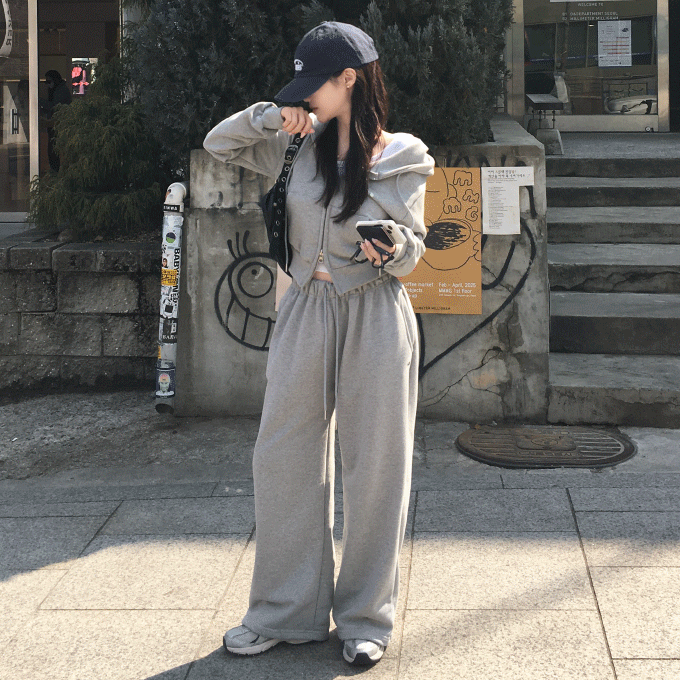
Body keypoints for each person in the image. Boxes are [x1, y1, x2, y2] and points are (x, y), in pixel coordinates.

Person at [203, 21, 433, 667]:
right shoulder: (292, 144)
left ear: (350, 80)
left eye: (314, 84)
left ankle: (365, 618)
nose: (305, 96)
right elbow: (217, 143)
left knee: (377, 466)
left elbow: (414, 249)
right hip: (305, 307)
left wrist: (393, 244)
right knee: (282, 455)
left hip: (375, 311)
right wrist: (268, 115)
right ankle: (286, 612)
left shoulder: (403, 156)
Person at [40, 70, 72, 172]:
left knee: (54, 149)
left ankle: (56, 170)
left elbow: (54, 106)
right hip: (53, 124)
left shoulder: (61, 90)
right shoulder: (56, 90)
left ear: (55, 80)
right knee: (52, 149)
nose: (48, 84)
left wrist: (39, 100)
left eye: (49, 82)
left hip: (58, 125)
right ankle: (54, 169)